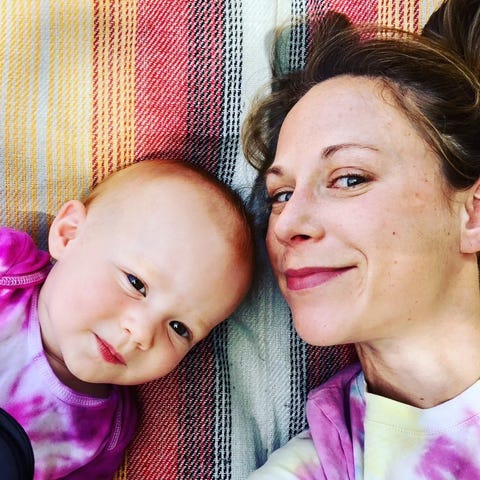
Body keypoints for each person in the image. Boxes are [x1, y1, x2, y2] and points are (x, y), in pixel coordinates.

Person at [242, 0, 480, 477]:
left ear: (472, 215)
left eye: (349, 178)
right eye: (281, 194)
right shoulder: (316, 466)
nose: (286, 225)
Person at [0, 159, 254, 479]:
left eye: (179, 328)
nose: (141, 333)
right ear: (69, 235)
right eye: (136, 284)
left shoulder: (105, 434)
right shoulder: (8, 272)